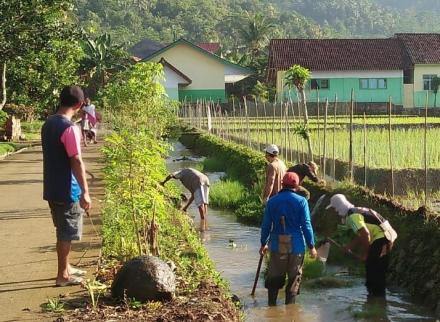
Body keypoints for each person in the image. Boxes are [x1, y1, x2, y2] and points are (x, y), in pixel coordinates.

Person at [41, 85, 92, 286]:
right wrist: (85, 192)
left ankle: (67, 267)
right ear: (79, 105)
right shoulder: (70, 128)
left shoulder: (48, 123)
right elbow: (76, 161)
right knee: (66, 233)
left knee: (62, 229)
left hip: (51, 187)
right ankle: (63, 275)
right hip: (67, 189)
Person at [260, 172, 317, 306]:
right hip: (296, 246)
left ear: (281, 184)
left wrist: (263, 243)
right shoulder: (301, 201)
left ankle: (271, 306)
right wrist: (311, 246)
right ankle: (290, 312)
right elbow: (306, 225)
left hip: (276, 244)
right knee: (294, 279)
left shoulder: (272, 201)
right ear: (297, 186)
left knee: (274, 276)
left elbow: (266, 225)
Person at [326, 194, 397, 297]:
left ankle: (375, 302)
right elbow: (361, 234)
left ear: (339, 207)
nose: (335, 211)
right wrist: (349, 247)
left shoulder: (352, 216)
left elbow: (365, 234)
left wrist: (366, 254)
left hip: (382, 238)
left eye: (334, 208)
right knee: (377, 272)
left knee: (373, 273)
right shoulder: (357, 210)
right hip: (388, 237)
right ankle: (377, 303)